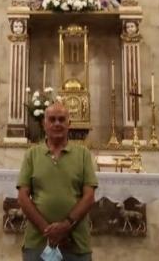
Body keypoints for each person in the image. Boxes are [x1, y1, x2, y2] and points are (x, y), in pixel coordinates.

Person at [17, 102, 98, 261]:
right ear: (44, 124)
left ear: (69, 123)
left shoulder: (83, 154)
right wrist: (48, 231)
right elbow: (23, 197)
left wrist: (66, 226)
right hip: (38, 242)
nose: (57, 124)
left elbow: (89, 197)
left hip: (75, 243)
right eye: (52, 119)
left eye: (61, 119)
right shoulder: (31, 155)